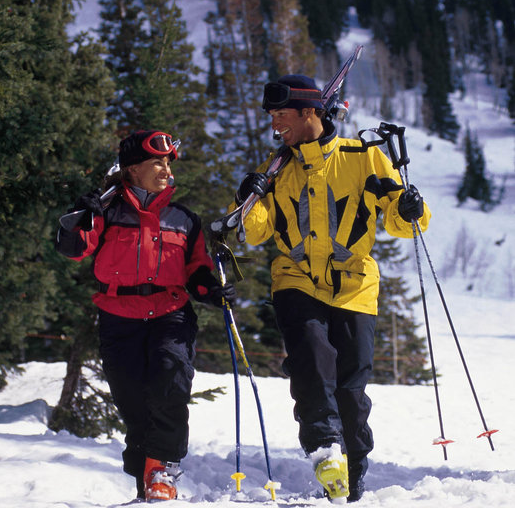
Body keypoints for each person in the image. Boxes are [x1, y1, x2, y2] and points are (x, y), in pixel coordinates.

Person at [232, 75, 430, 503]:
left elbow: (400, 220)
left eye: (281, 115)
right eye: (271, 116)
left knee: (350, 389)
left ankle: (352, 471)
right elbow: (256, 232)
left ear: (310, 112)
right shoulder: (276, 167)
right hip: (296, 280)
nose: (274, 124)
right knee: (311, 361)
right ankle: (325, 450)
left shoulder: (362, 157)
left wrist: (411, 207)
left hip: (355, 286)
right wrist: (247, 199)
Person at [56, 130, 234, 503]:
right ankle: (146, 482)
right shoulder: (106, 212)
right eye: (158, 163)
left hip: (171, 314)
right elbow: (73, 250)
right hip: (118, 318)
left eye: (168, 163)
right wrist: (80, 216)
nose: (166, 170)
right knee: (134, 403)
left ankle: (162, 471)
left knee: (171, 381)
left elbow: (197, 270)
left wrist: (211, 290)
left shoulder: (184, 219)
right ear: (133, 169)